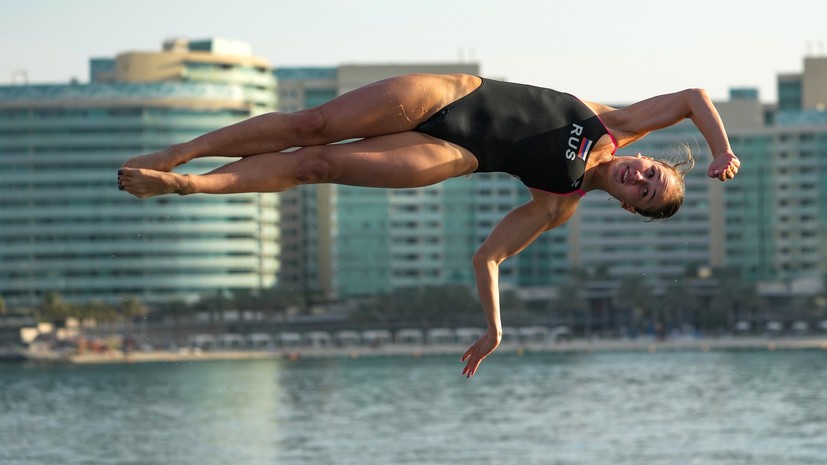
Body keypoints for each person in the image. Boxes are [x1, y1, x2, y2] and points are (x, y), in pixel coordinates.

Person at [117, 74, 740, 377]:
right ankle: (182, 152)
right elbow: (693, 96)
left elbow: (488, 257)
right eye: (653, 171)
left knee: (318, 164)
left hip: (454, 154)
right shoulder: (620, 120)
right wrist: (719, 150)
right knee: (313, 125)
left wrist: (494, 328)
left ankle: (188, 185)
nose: (641, 176)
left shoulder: (558, 202)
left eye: (646, 191)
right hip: (449, 95)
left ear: (630, 207)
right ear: (651, 154)